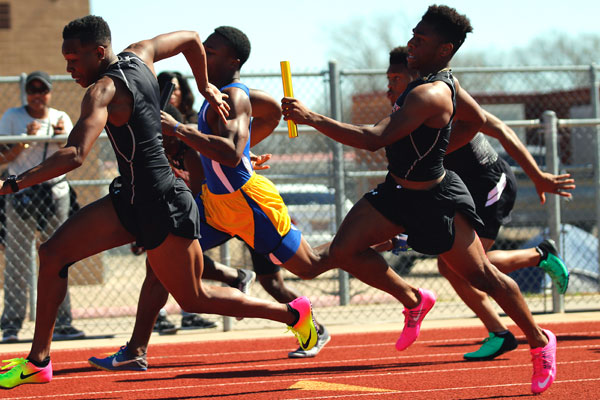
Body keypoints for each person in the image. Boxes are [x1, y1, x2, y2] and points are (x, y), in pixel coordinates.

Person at [0, 16, 318, 389]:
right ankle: (38, 362)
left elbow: (74, 154)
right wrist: (205, 88)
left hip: (164, 204)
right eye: (65, 58)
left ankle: (292, 314)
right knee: (53, 253)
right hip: (130, 197)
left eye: (74, 59)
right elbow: (191, 39)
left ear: (99, 52)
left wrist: (12, 184)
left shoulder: (102, 91)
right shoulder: (141, 54)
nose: (68, 68)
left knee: (195, 297)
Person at [282, 5, 557, 394]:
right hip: (395, 192)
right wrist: (441, 149)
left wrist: (314, 119)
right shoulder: (436, 82)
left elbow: (373, 138)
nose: (411, 44)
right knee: (344, 251)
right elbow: (476, 121)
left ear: (444, 49)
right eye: (412, 35)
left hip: (435, 200)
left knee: (482, 277)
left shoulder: (431, 93)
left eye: (420, 40)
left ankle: (541, 342)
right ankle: (413, 299)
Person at [89, 28, 332, 370]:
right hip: (216, 205)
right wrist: (243, 151)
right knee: (158, 264)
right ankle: (135, 350)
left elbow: (233, 152)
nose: (204, 53)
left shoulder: (234, 95)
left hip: (247, 203)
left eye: (212, 51)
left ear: (233, 60)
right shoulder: (215, 96)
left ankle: (377, 238)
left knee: (310, 267)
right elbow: (251, 133)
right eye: (203, 48)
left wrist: (180, 130)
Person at [386, 46, 573, 361]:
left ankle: (539, 255)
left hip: (490, 183)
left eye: (395, 78)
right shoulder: (401, 116)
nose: (388, 87)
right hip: (459, 189)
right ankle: (499, 333)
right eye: (387, 78)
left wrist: (538, 176)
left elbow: (500, 128)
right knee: (451, 266)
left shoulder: (441, 100)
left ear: (414, 78)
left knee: (464, 265)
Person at [0, 71, 85, 343]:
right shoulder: (12, 117)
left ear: (50, 92)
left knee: (58, 257)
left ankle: (63, 322)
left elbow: (74, 154)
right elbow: (3, 157)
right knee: (17, 257)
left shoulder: (60, 117)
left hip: (53, 192)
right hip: (21, 192)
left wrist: (61, 139)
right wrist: (25, 139)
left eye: (43, 90)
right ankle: (11, 324)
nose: (38, 96)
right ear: (26, 92)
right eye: (33, 90)